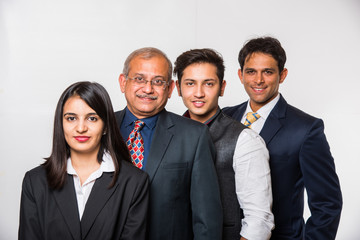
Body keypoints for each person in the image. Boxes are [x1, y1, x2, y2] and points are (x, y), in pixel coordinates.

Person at [223, 37, 343, 239]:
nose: (258, 80)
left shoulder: (306, 129)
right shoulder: (225, 116)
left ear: (282, 75)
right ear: (240, 75)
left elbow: (327, 204)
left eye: (268, 72)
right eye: (251, 71)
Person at [115, 47, 223, 240]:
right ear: (123, 82)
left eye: (158, 82)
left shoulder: (194, 136)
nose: (148, 89)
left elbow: (206, 219)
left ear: (171, 88)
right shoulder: (100, 128)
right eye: (139, 79)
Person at [19, 81, 149, 240]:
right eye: (71, 118)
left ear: (106, 126)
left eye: (92, 118)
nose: (81, 128)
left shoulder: (134, 182)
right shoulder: (35, 181)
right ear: (61, 124)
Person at [174, 48, 274, 240]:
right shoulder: (169, 133)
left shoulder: (245, 140)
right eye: (190, 83)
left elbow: (259, 222)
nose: (199, 93)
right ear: (178, 88)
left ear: (222, 87)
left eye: (208, 84)